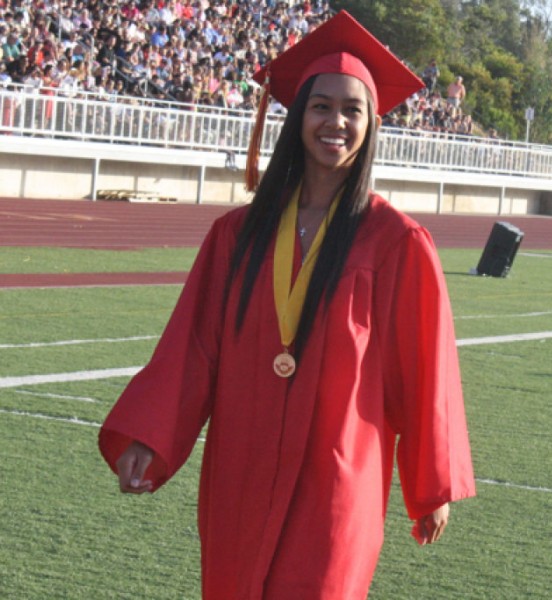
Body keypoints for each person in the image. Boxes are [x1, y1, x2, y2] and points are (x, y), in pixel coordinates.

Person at [98, 10, 476, 600]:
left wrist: (433, 483)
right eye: (321, 106)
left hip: (338, 475)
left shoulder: (395, 242)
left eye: (352, 110)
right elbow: (193, 347)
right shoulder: (237, 234)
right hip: (242, 469)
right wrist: (150, 435)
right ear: (298, 116)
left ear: (371, 123)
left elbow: (426, 367)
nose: (336, 122)